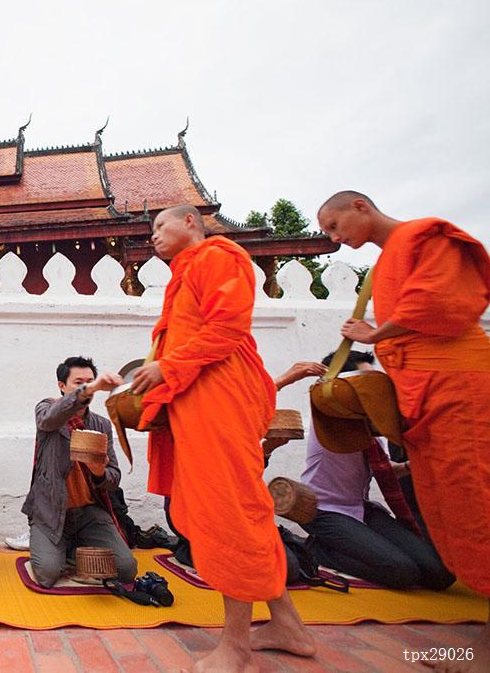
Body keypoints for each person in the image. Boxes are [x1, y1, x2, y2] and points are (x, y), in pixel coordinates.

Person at [131, 205, 314, 671]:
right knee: (238, 509)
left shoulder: (218, 255)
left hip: (220, 395)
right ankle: (287, 625)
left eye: (159, 226)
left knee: (230, 514)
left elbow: (227, 329)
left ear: (190, 222)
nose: (152, 236)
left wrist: (167, 367)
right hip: (199, 398)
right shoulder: (186, 272)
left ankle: (236, 647)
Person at [318, 190, 490, 668]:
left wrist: (377, 334)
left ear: (361, 208)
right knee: (451, 502)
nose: (333, 238)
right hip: (421, 391)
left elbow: (442, 301)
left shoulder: (424, 235)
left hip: (458, 382)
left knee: (478, 495)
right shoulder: (381, 265)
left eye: (334, 226)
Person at [291, 350, 454, 590]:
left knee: (440, 574)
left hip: (361, 508)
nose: (372, 388)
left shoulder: (371, 426)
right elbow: (334, 395)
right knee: (402, 571)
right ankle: (313, 548)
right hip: (324, 511)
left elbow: (387, 469)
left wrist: (415, 465)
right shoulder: (328, 415)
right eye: (364, 380)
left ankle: (358, 547)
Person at [22, 356, 137, 588]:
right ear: (61, 386)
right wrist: (92, 388)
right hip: (51, 512)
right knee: (47, 574)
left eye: (90, 381)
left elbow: (113, 478)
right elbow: (50, 418)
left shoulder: (101, 425)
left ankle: (73, 548)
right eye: (78, 382)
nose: (86, 387)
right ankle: (61, 548)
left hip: (89, 514)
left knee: (126, 570)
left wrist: (99, 473)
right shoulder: (46, 410)